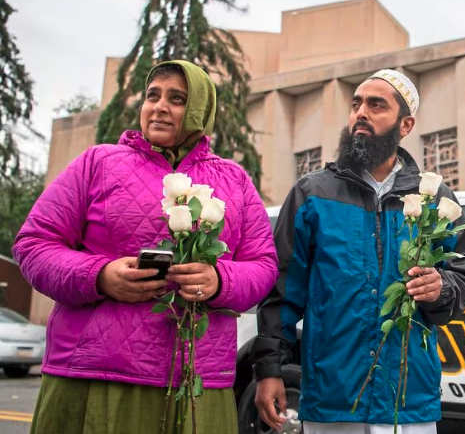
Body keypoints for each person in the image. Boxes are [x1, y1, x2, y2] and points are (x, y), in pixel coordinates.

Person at [13, 60, 279, 433]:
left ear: (200, 110)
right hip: (99, 371)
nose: (159, 106)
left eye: (177, 98)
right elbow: (33, 244)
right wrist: (101, 276)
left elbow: (263, 265)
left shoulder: (234, 180)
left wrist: (219, 281)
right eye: (152, 95)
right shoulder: (97, 163)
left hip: (197, 380)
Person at [250, 69, 465, 434]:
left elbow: (464, 276)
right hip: (333, 396)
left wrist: (441, 288)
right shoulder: (313, 195)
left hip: (408, 398)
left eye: (376, 105)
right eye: (356, 104)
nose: (361, 113)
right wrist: (270, 370)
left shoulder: (434, 199)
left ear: (406, 124)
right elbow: (282, 292)